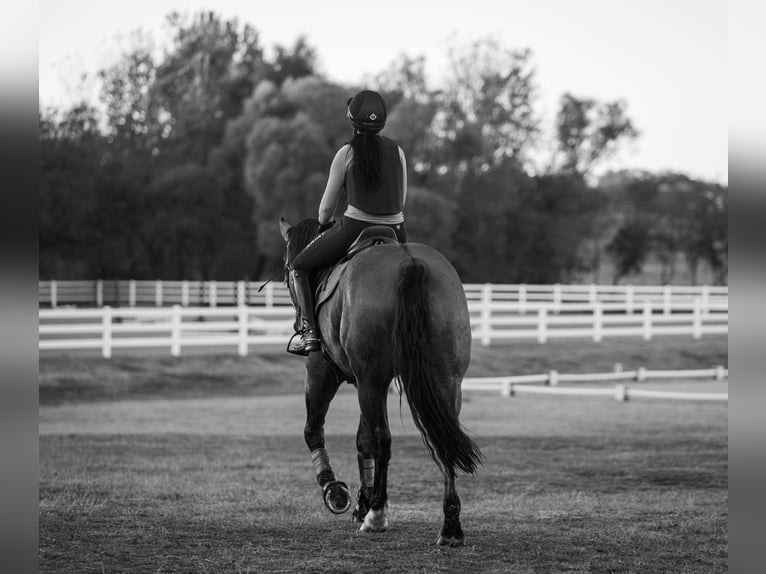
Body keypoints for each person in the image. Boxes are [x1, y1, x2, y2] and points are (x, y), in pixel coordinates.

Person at [287, 89, 408, 355]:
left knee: (299, 267)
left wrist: (324, 222)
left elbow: (326, 208)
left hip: (356, 228)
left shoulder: (346, 153)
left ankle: (310, 335)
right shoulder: (398, 152)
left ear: (352, 120)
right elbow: (402, 197)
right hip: (397, 231)